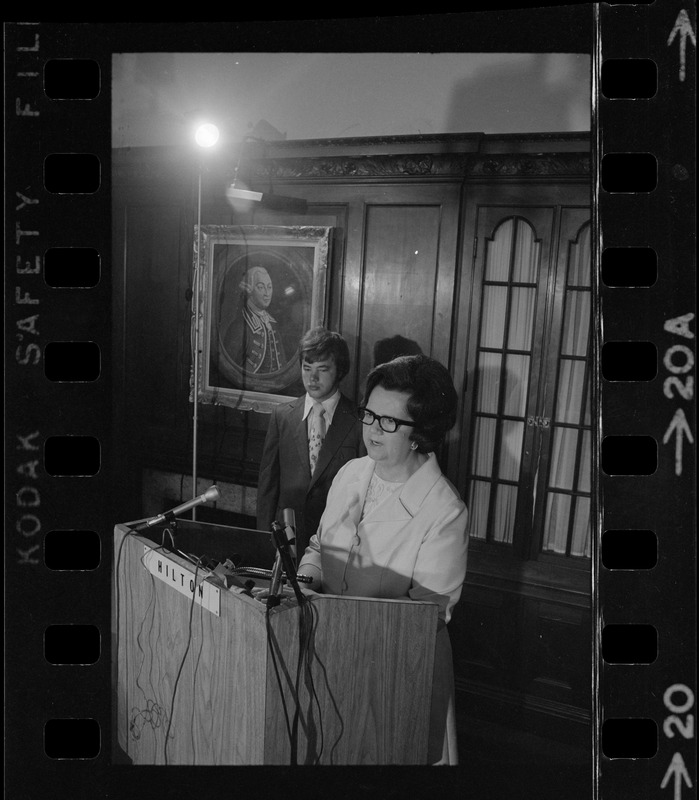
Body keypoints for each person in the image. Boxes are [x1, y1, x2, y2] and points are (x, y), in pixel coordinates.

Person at [297, 354, 468, 765]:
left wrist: (342, 626)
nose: (372, 428)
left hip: (395, 675)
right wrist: (303, 578)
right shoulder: (352, 472)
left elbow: (426, 617)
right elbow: (321, 546)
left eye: (388, 421)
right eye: (369, 413)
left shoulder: (445, 511)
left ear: (420, 433)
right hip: (328, 654)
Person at [256, 327, 365, 556]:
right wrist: (263, 542)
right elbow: (268, 487)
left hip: (337, 544)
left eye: (322, 369)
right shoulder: (282, 416)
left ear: (340, 371)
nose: (312, 378)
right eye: (307, 369)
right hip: (287, 543)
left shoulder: (357, 420)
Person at [227, 265, 286, 374]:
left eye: (269, 287)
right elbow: (230, 371)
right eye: (260, 287)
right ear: (250, 290)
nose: (267, 294)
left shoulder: (272, 324)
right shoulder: (239, 326)